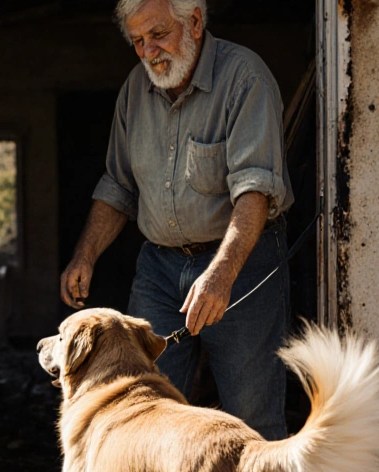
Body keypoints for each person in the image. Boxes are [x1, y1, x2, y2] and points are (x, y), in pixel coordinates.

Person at [59, 0, 293, 440]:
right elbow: (118, 186)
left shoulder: (245, 78)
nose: (149, 51)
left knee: (252, 418)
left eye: (159, 34)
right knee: (141, 411)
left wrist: (221, 274)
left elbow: (255, 191)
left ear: (195, 22)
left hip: (241, 264)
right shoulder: (135, 90)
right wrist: (84, 255)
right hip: (159, 269)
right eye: (137, 41)